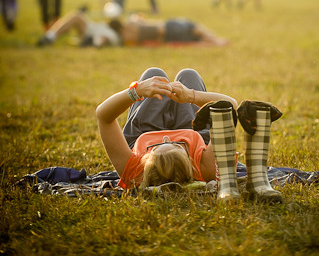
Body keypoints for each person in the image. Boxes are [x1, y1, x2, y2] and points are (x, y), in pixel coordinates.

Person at [96, 66, 283, 202]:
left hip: (143, 133)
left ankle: (152, 86)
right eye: (178, 145)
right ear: (191, 162)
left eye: (158, 146)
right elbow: (230, 105)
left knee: (154, 75)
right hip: (194, 131)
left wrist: (136, 91)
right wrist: (191, 96)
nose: (168, 137)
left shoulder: (134, 172)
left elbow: (103, 116)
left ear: (146, 159)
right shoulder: (204, 168)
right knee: (188, 75)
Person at [37, 7, 228, 48]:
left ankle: (92, 42)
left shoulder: (177, 28)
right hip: (106, 29)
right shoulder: (178, 29)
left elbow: (197, 31)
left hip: (110, 33)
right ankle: (51, 36)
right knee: (77, 16)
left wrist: (217, 41)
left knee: (80, 19)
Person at [109, 14, 228, 47]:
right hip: (167, 28)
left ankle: (216, 41)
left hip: (167, 33)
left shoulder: (127, 36)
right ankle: (217, 41)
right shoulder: (131, 25)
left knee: (194, 37)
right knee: (194, 29)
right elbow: (158, 30)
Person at [36, 6, 121, 47]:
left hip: (89, 34)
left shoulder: (113, 35)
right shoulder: (110, 31)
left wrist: (94, 43)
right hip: (90, 30)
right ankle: (50, 36)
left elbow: (104, 39)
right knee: (76, 16)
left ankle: (50, 36)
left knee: (76, 16)